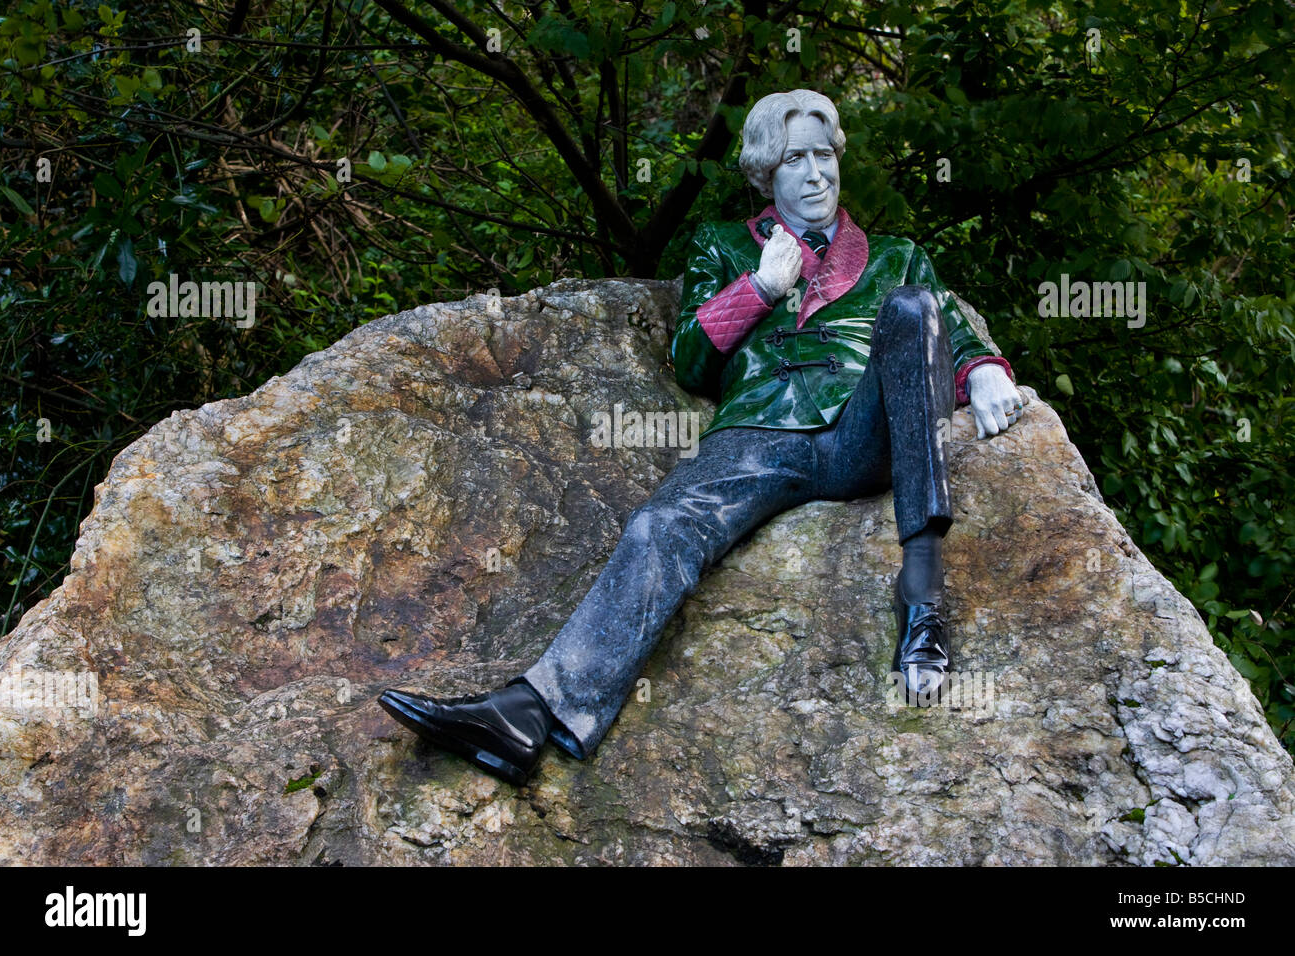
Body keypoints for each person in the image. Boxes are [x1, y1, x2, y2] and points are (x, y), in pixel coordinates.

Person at [379, 89, 1024, 786]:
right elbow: (690, 359)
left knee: (911, 305)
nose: (815, 174)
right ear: (763, 175)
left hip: (863, 432)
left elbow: (942, 333)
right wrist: (760, 285)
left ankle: (922, 604)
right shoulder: (720, 245)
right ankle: (530, 713)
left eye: (824, 156)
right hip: (756, 432)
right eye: (794, 160)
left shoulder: (896, 255)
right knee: (661, 525)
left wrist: (982, 369)